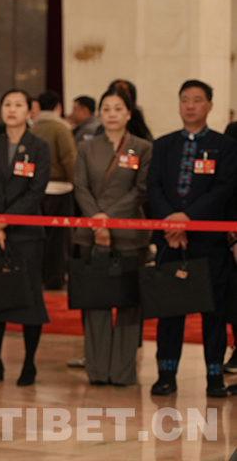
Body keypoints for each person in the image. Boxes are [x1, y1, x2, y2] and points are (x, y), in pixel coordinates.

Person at [146, 79, 237, 397]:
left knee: (213, 312)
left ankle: (214, 377)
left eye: (197, 100)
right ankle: (166, 375)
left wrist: (187, 219)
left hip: (208, 242)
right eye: (185, 99)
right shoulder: (163, 144)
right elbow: (153, 186)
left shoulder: (225, 146)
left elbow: (223, 189)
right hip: (171, 241)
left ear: (209, 105)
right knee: (170, 311)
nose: (190, 105)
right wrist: (172, 223)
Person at [0, 88, 50, 387]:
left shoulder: (39, 146)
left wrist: (6, 221)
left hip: (26, 234)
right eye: (7, 104)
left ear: (30, 111)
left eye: (19, 104)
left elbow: (36, 190)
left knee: (29, 300)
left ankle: (29, 364)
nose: (12, 109)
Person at [72, 88, 152, 386]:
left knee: (129, 305)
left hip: (129, 236)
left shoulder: (142, 148)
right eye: (106, 109)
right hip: (91, 234)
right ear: (99, 114)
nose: (112, 114)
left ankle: (122, 372)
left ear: (129, 113)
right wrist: (97, 220)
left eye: (118, 109)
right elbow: (80, 187)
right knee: (96, 303)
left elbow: (141, 190)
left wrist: (108, 218)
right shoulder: (86, 147)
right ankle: (97, 371)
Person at [30, 91, 77, 291]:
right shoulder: (61, 128)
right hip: (60, 189)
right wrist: (76, 183)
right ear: (58, 107)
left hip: (35, 189)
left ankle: (38, 277)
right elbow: (69, 159)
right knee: (59, 240)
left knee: (38, 237)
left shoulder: (32, 129)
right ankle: (55, 279)